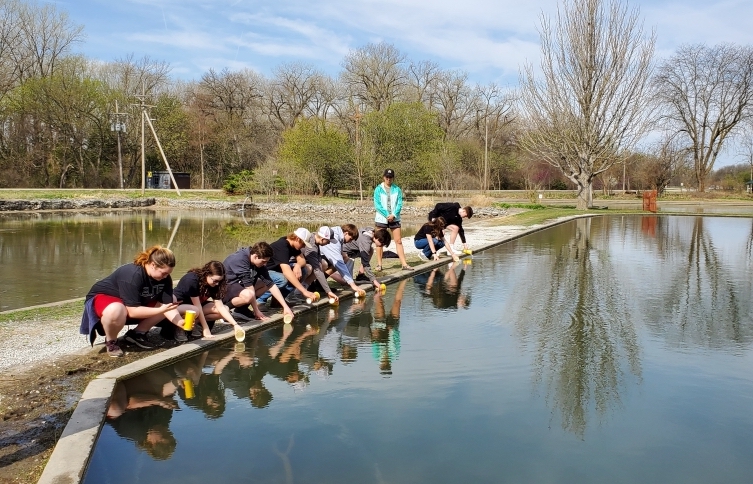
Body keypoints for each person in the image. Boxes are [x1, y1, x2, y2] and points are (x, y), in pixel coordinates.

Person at [80, 245, 182, 357]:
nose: (166, 276)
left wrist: (180, 322)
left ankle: (137, 334)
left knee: (172, 298)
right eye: (164, 273)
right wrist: (161, 310)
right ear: (153, 265)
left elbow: (168, 305)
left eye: (168, 274)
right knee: (116, 309)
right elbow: (133, 311)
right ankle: (111, 341)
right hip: (106, 299)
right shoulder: (133, 274)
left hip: (131, 302)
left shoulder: (164, 279)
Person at [159, 260, 244, 342]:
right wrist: (205, 328)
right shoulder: (192, 279)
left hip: (196, 307)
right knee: (194, 310)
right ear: (207, 274)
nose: (217, 284)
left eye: (219, 281)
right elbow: (197, 306)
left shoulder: (215, 285)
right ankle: (180, 328)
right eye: (215, 281)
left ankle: (194, 323)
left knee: (225, 309)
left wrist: (235, 325)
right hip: (179, 306)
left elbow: (220, 306)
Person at [222, 242, 293, 322]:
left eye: (266, 262)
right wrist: (256, 311)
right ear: (255, 256)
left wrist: (285, 307)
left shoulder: (258, 263)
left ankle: (241, 310)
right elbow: (249, 288)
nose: (265, 264)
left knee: (265, 284)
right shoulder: (241, 260)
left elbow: (271, 284)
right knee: (248, 295)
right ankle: (223, 310)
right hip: (225, 289)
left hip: (238, 287)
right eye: (263, 261)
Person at [256, 229, 317, 305]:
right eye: (303, 244)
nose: (304, 246)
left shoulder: (292, 245)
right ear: (297, 239)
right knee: (282, 279)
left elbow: (303, 261)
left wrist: (297, 266)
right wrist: (304, 291)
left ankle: (279, 300)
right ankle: (260, 300)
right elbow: (286, 272)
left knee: (304, 270)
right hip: (265, 271)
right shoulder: (282, 246)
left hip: (277, 271)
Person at [373, 168, 412, 271]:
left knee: (398, 241)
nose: (388, 179)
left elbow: (399, 204)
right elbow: (377, 205)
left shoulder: (397, 189)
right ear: (384, 177)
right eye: (387, 177)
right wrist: (387, 215)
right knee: (379, 241)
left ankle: (404, 264)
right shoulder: (378, 189)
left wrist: (394, 215)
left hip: (395, 218)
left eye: (390, 177)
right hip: (382, 218)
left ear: (393, 178)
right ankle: (379, 265)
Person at [319, 224, 366, 294]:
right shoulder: (335, 241)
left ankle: (319, 283)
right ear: (346, 233)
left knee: (344, 257)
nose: (350, 242)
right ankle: (317, 283)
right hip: (316, 258)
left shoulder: (338, 235)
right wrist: (352, 285)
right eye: (350, 239)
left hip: (322, 256)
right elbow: (340, 263)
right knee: (335, 262)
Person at [298, 226, 339, 304]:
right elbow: (317, 270)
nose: (329, 243)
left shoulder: (314, 237)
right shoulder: (312, 247)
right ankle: (297, 292)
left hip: (303, 261)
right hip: (294, 263)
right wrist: (328, 291)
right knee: (309, 268)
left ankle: (305, 286)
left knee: (322, 264)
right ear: (323, 239)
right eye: (329, 241)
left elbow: (319, 263)